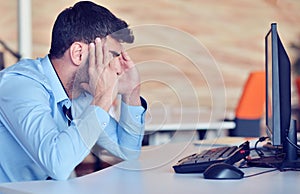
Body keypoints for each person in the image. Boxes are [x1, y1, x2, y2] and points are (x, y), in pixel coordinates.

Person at [0, 1, 147, 182]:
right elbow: (58, 165)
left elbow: (128, 152)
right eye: (113, 56)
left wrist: (132, 92)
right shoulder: (20, 85)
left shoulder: (80, 94)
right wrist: (104, 96)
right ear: (78, 53)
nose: (118, 68)